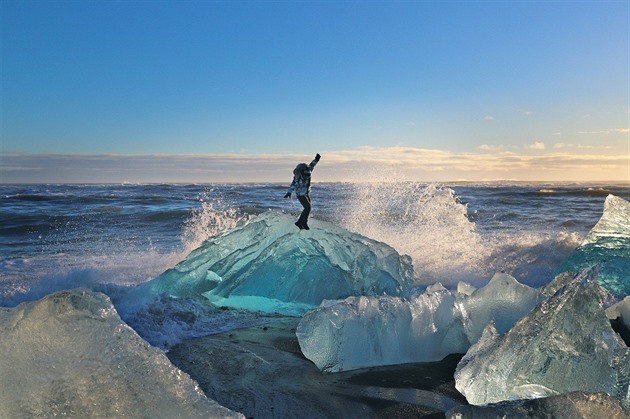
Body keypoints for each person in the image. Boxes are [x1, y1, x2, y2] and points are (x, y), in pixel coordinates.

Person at [284, 153, 321, 230]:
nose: (307, 177)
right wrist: (289, 192)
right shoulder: (298, 178)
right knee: (307, 207)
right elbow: (293, 184)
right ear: (302, 173)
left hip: (306, 192)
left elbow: (312, 165)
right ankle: (302, 222)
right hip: (300, 194)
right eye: (305, 176)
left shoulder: (308, 170)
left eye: (308, 176)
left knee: (308, 207)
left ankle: (301, 222)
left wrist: (316, 159)